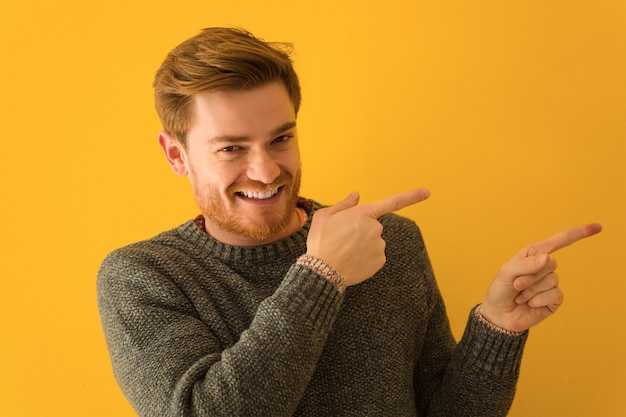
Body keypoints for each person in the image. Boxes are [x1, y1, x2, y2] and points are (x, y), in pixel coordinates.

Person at [96, 27, 602, 417]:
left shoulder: (388, 243)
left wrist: (497, 327)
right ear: (175, 155)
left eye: (281, 139)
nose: (267, 171)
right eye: (231, 148)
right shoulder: (142, 277)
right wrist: (320, 278)